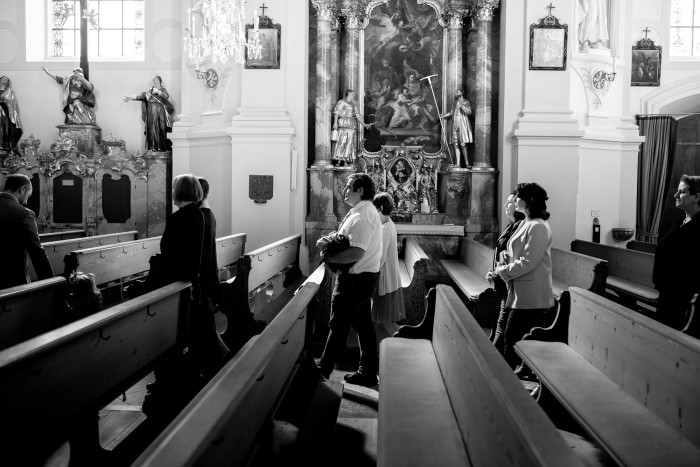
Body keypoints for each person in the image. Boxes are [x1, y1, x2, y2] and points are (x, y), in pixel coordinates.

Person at [317, 173, 383, 387]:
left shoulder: (363, 215)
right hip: (360, 279)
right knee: (363, 326)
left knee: (338, 324)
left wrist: (329, 257)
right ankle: (368, 372)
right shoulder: (362, 211)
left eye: (348, 187)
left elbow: (356, 252)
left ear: (360, 190)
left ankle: (323, 371)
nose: (344, 190)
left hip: (355, 281)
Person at [488, 182, 553, 370]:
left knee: (512, 338)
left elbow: (529, 261)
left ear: (529, 200)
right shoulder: (526, 222)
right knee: (512, 338)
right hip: (520, 292)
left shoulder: (538, 226)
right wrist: (500, 267)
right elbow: (514, 251)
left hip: (532, 295)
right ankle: (511, 378)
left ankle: (507, 382)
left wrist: (503, 272)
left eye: (518, 197)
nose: (515, 200)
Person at [653, 175, 700, 330]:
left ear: (696, 197)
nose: (675, 195)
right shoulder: (679, 220)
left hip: (684, 294)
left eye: (681, 192)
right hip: (668, 289)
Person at [0, 174, 54, 290]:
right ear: (22, 189)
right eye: (28, 195)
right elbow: (37, 253)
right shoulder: (24, 213)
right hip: (12, 281)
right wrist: (52, 285)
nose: (26, 201)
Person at [488, 191, 526, 354]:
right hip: (504, 277)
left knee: (504, 324)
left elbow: (514, 255)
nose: (506, 205)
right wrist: (494, 270)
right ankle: (496, 355)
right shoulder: (511, 225)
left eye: (510, 202)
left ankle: (496, 359)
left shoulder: (520, 226)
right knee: (502, 321)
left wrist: (498, 272)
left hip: (510, 280)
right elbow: (502, 252)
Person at [371, 193, 405, 330]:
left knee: (386, 322)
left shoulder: (385, 229)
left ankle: (399, 345)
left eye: (374, 211)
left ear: (379, 208)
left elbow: (381, 258)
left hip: (385, 279)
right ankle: (386, 347)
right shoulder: (389, 224)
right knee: (384, 321)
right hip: (389, 276)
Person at [123, 76, 175, 152]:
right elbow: (141, 96)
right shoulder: (150, 90)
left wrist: (159, 92)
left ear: (160, 80)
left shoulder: (163, 89)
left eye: (156, 79)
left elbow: (166, 96)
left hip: (160, 110)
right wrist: (131, 98)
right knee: (152, 128)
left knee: (162, 128)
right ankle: (152, 148)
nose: (154, 80)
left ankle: (162, 148)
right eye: (154, 79)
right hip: (151, 110)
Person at [332, 90, 371, 166]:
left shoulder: (353, 105)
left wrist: (364, 124)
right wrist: (335, 123)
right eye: (353, 93)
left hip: (351, 124)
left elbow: (358, 116)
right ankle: (340, 159)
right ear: (348, 93)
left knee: (350, 142)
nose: (354, 95)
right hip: (344, 123)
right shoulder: (342, 102)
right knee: (342, 141)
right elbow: (336, 112)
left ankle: (346, 159)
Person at [441, 89, 473, 168]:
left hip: (462, 124)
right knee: (455, 144)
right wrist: (444, 116)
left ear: (461, 93)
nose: (456, 93)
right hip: (454, 124)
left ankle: (467, 163)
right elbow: (451, 112)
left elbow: (469, 112)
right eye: (456, 92)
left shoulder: (466, 102)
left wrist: (462, 106)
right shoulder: (454, 102)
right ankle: (457, 163)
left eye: (457, 92)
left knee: (463, 144)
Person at [0, 76, 22, 155]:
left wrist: (4, 101)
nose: (4, 81)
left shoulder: (9, 91)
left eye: (6, 80)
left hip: (5, 114)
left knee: (5, 129)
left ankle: (5, 146)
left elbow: (13, 103)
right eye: (3, 79)